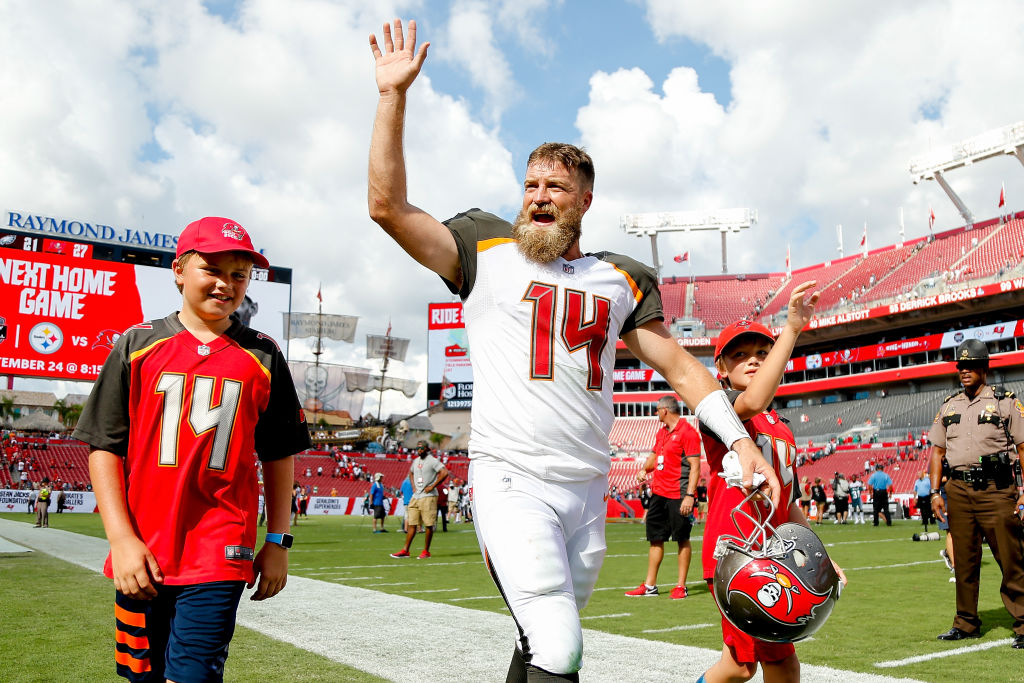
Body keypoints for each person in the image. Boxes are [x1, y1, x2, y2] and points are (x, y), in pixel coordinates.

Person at [367, 18, 781, 680]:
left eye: (554, 188)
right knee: (559, 645)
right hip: (512, 476)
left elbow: (678, 367)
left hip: (586, 490)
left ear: (584, 201)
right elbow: (387, 206)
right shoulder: (484, 245)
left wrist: (737, 439)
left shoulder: (620, 276)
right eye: (530, 184)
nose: (537, 196)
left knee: (545, 641)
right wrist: (393, 97)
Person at [73, 216, 310, 682]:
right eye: (213, 269)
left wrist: (278, 541)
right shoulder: (137, 345)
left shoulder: (263, 355)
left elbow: (280, 453)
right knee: (141, 674)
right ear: (179, 270)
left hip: (221, 548)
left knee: (194, 674)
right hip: (143, 549)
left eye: (239, 274)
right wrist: (121, 540)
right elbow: (103, 447)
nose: (226, 284)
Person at [698, 293, 847, 683]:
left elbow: (789, 506)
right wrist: (792, 329)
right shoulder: (721, 411)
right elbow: (754, 398)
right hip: (736, 553)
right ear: (721, 370)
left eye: (763, 351)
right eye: (740, 354)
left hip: (772, 554)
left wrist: (820, 555)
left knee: (746, 665)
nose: (753, 359)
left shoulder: (781, 427)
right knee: (767, 664)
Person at [928, 339, 1024, 648]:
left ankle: (1023, 623)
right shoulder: (949, 404)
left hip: (996, 490)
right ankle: (966, 622)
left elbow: (1023, 448)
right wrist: (934, 492)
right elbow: (937, 451)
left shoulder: (1005, 402)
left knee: (1011, 558)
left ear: (984, 368)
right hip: (957, 490)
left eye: (971, 367)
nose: (964, 372)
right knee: (965, 562)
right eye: (961, 367)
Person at [625, 396, 701, 600]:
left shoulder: (688, 432)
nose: (656, 413)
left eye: (657, 410)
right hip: (659, 494)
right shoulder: (661, 433)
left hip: (679, 494)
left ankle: (681, 586)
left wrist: (690, 496)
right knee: (655, 539)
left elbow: (695, 466)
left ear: (665, 410)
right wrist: (643, 469)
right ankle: (650, 585)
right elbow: (653, 458)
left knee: (682, 539)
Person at [391, 442, 448, 559]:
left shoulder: (432, 460)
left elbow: (444, 472)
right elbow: (411, 473)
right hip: (416, 496)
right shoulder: (416, 461)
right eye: (417, 447)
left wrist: (433, 486)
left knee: (428, 524)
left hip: (428, 496)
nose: (419, 449)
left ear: (427, 448)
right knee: (412, 524)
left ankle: (426, 551)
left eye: (421, 448)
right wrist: (413, 486)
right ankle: (405, 550)